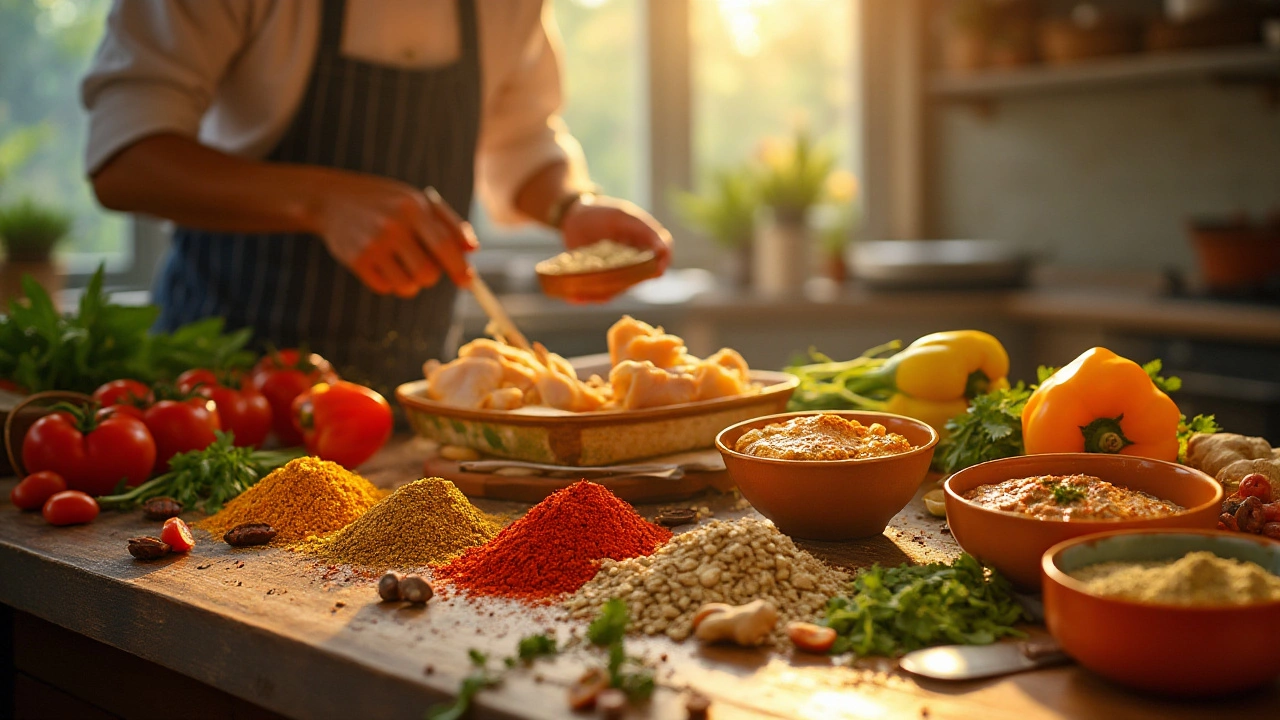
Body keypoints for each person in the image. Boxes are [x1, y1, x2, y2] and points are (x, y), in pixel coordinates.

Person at [81, 0, 671, 394]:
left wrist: (571, 205)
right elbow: (125, 159)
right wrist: (322, 200)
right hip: (219, 396)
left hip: (406, 397)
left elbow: (520, 136)